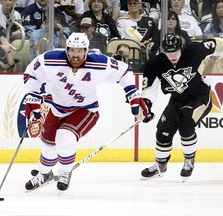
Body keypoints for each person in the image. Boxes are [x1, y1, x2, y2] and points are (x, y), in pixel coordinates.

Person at [24, 32, 151, 191]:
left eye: (80, 51)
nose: (75, 55)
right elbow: (31, 73)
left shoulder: (98, 63)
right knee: (48, 145)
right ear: (67, 49)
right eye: (72, 50)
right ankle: (44, 174)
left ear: (86, 50)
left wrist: (133, 94)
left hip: (85, 110)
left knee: (64, 136)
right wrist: (33, 94)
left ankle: (65, 171)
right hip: (56, 108)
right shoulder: (50, 59)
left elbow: (124, 71)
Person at [140, 33, 223, 181]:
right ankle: (160, 165)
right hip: (176, 100)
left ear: (181, 48)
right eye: (169, 52)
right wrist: (146, 105)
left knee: (185, 122)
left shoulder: (195, 50)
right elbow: (149, 88)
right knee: (163, 131)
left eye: (175, 51)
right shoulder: (155, 64)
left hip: (199, 97)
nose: (172, 55)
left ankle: (189, 160)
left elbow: (219, 43)